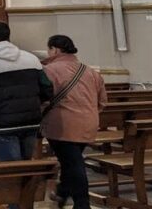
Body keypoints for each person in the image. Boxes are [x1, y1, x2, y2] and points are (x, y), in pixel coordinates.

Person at [0, 20, 53, 163]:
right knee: (26, 167)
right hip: (30, 121)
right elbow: (47, 89)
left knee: (12, 170)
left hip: (0, 125)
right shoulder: (31, 59)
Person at [40, 35, 107, 209]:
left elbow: (44, 98)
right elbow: (102, 101)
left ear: (54, 49)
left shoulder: (49, 70)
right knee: (72, 160)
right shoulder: (90, 71)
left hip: (62, 125)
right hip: (89, 123)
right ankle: (62, 191)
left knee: (73, 163)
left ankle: (82, 204)